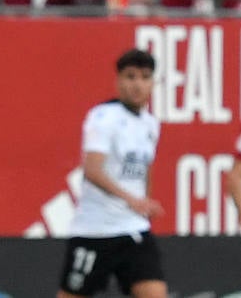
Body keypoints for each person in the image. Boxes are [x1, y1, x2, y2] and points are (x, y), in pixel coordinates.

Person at [57, 49, 165, 298]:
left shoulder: (150, 124)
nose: (137, 85)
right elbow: (93, 169)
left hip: (133, 229)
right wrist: (131, 200)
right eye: (130, 77)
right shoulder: (103, 118)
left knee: (155, 292)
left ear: (153, 83)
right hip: (96, 230)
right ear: (118, 81)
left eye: (145, 78)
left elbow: (145, 169)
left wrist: (145, 205)